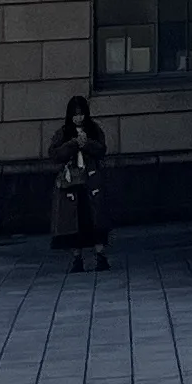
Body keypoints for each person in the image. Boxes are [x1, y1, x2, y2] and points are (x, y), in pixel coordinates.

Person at [46, 96, 112, 273]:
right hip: (72, 183)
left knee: (95, 220)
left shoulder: (94, 129)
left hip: (91, 181)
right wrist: (72, 144)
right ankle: (77, 258)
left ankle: (100, 256)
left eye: (81, 114)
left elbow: (101, 150)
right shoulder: (64, 132)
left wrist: (87, 144)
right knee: (74, 222)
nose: (78, 118)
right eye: (75, 115)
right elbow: (54, 154)